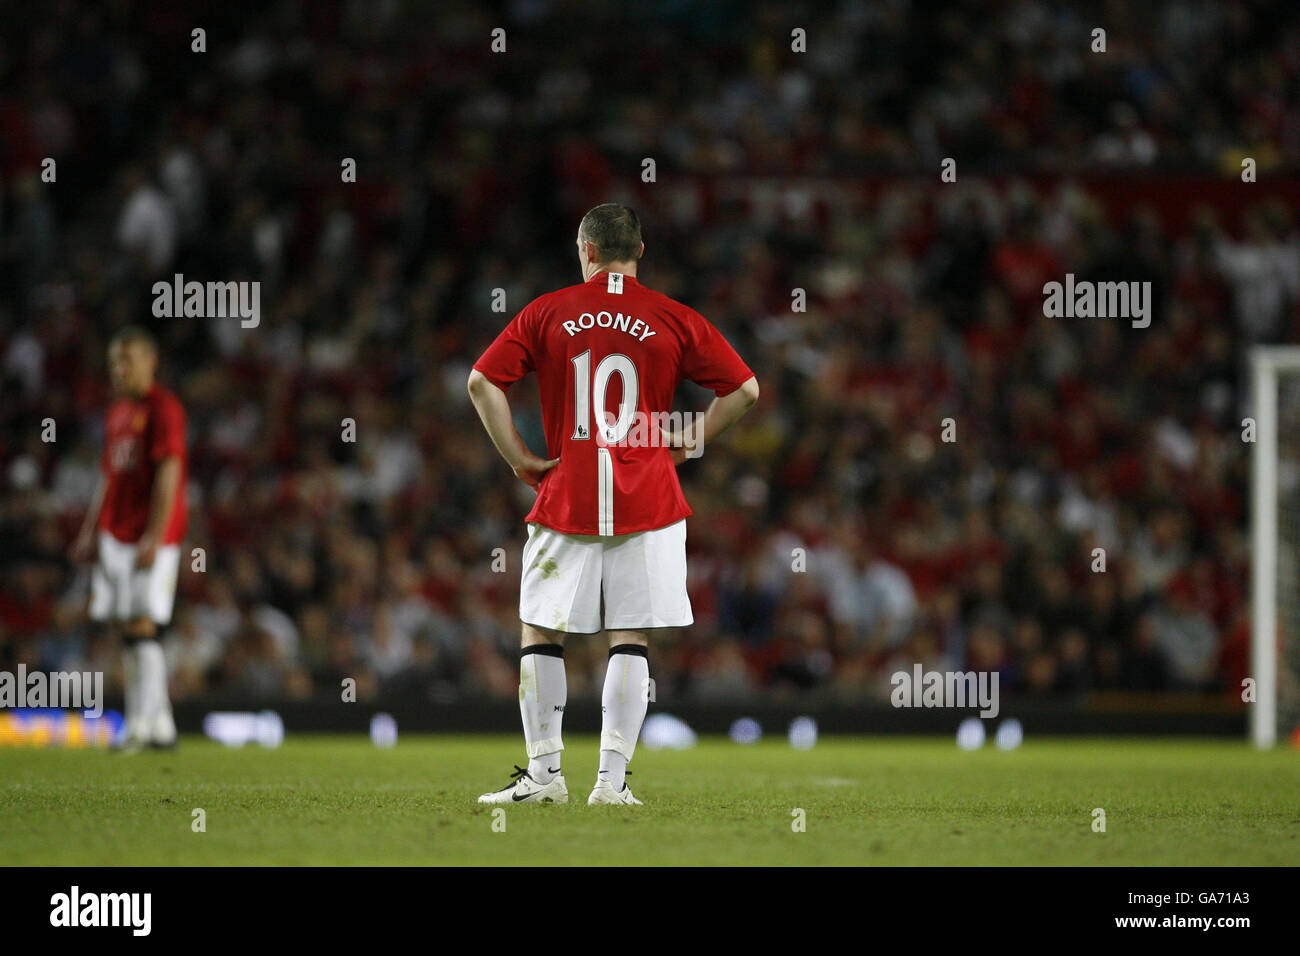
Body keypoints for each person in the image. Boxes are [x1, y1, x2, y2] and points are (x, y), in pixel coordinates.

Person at [469, 203, 758, 805]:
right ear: (640, 252)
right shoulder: (673, 316)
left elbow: (481, 382)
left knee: (541, 630)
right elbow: (746, 390)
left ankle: (545, 778)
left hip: (567, 493)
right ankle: (611, 782)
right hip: (649, 497)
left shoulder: (547, 311)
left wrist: (519, 458)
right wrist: (691, 440)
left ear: (587, 250)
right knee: (630, 637)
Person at [71, 326, 188, 750]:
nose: (119, 369)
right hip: (114, 534)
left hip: (148, 535)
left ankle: (139, 725)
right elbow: (110, 476)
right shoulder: (117, 412)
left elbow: (169, 471)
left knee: (142, 624)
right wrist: (90, 530)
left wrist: (154, 535)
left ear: (150, 361)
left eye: (128, 360)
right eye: (114, 362)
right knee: (125, 627)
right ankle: (161, 727)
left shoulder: (163, 408)